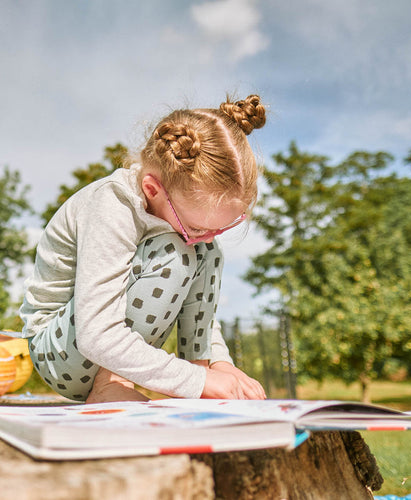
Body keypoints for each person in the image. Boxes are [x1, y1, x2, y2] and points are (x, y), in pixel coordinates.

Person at [18, 94, 268, 403]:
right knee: (175, 253)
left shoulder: (189, 228)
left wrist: (217, 366)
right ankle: (111, 382)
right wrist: (193, 381)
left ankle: (199, 365)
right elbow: (96, 333)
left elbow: (199, 303)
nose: (207, 236)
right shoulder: (112, 207)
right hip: (62, 352)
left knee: (206, 252)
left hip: (101, 345)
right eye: (199, 227)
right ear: (152, 189)